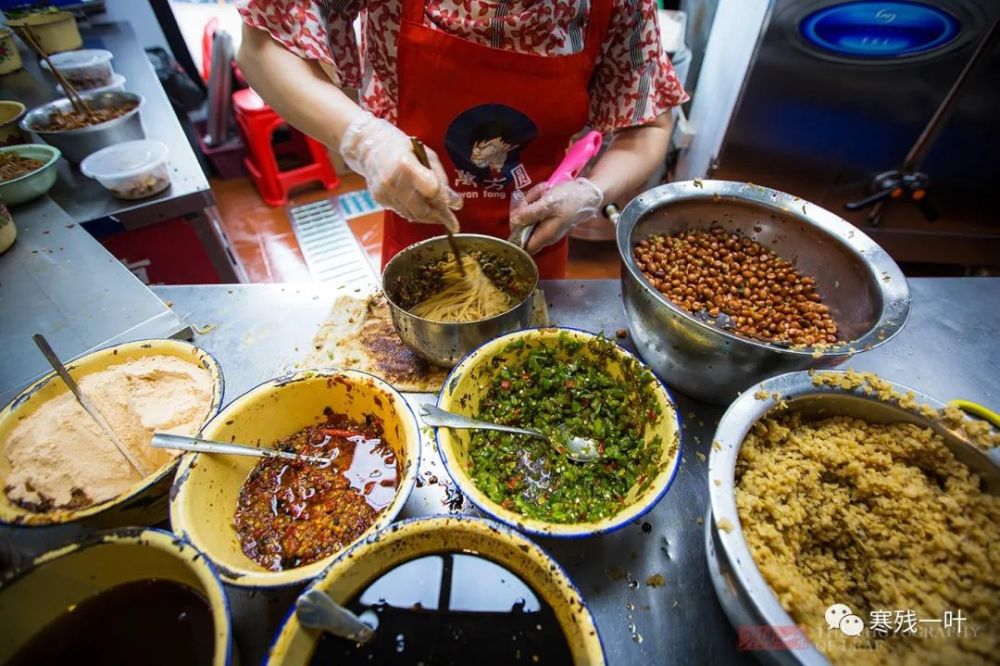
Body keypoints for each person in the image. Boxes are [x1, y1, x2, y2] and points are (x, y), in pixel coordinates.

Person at [236, 1, 687, 279]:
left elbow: (649, 126)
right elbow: (264, 47)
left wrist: (591, 191)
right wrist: (366, 141)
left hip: (536, 237)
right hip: (416, 228)